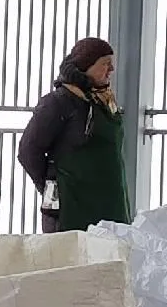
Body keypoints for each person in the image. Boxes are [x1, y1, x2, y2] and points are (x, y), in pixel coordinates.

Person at [18, 37, 130, 232]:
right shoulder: (59, 102)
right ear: (86, 66)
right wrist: (55, 185)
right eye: (105, 64)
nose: (111, 70)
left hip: (110, 208)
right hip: (71, 211)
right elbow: (28, 151)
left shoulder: (102, 101)